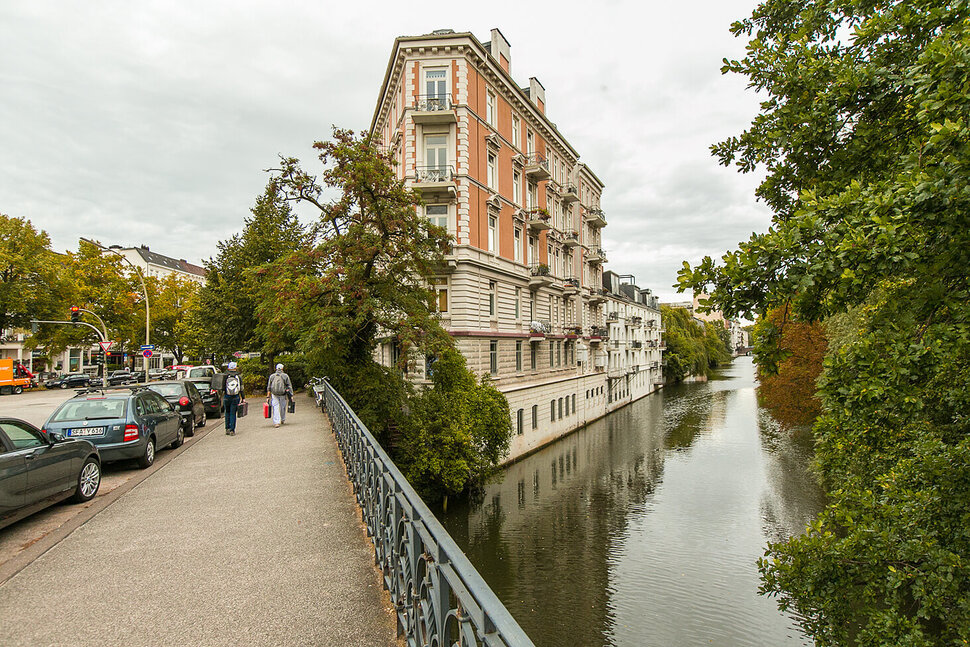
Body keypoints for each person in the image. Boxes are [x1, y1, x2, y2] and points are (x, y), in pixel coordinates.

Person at [266, 363, 293, 428]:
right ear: (282, 369)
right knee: (282, 407)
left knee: (275, 407)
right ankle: (282, 419)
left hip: (274, 394)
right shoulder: (285, 376)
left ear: (276, 368)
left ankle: (276, 422)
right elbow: (289, 386)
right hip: (282, 394)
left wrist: (268, 396)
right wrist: (291, 395)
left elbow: (269, 387)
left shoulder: (272, 376)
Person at [223, 361, 246, 436]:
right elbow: (241, 388)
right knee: (233, 413)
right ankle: (232, 430)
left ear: (228, 368)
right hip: (235, 396)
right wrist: (243, 397)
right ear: (235, 368)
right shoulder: (238, 376)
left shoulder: (225, 376)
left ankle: (227, 428)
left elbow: (222, 387)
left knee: (227, 412)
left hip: (227, 396)